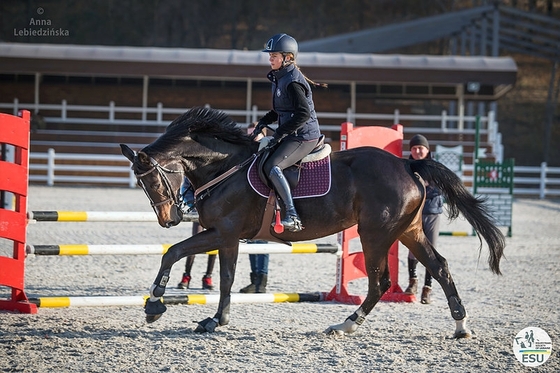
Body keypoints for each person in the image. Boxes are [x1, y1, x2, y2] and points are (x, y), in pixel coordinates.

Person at [251, 33, 325, 233]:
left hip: (304, 136)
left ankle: (292, 215)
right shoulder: (280, 77)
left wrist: (279, 134)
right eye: (270, 55)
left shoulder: (292, 81)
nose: (270, 58)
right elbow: (280, 111)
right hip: (293, 133)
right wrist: (262, 123)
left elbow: (303, 114)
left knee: (274, 166)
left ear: (288, 57)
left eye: (274, 55)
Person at [404, 134, 444, 304]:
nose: (417, 151)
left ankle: (427, 288)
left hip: (432, 212)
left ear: (427, 150)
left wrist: (422, 192)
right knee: (413, 247)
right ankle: (412, 282)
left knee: (430, 249)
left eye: (421, 148)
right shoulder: (407, 166)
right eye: (414, 148)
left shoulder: (435, 167)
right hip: (414, 213)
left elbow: (439, 189)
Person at [240, 122, 270, 293]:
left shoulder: (267, 152)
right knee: (252, 241)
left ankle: (262, 282)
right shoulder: (248, 154)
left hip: (265, 201)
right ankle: (254, 281)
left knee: (262, 240)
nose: (252, 138)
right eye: (250, 135)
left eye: (255, 135)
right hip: (249, 203)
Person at [177, 178, 216, 290]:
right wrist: (194, 205)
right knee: (194, 241)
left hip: (215, 211)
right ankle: (186, 275)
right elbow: (185, 188)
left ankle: (208, 276)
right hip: (198, 211)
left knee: (214, 243)